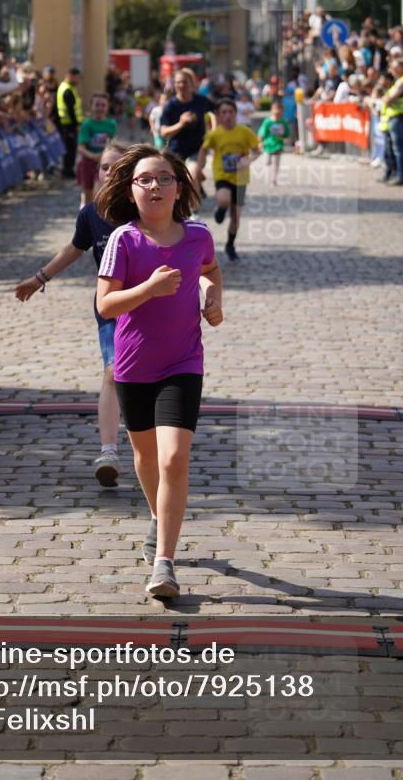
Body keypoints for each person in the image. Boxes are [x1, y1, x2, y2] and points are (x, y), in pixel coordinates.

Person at [95, 144, 223, 599]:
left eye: (164, 178)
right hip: (133, 366)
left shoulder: (198, 235)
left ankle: (164, 563)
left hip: (183, 362)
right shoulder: (123, 240)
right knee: (147, 459)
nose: (155, 186)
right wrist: (149, 288)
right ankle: (156, 515)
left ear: (179, 188)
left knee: (173, 459)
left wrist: (212, 297)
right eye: (145, 179)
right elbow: (105, 305)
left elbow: (210, 270)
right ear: (131, 190)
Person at [15, 142, 130, 486]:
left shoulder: (145, 211)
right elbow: (74, 249)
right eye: (105, 167)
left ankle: (153, 442)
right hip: (110, 304)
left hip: (150, 306)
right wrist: (39, 278)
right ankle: (108, 451)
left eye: (118, 168)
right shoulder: (91, 214)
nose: (110, 173)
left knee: (146, 377)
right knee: (112, 371)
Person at [195, 98, 260, 262]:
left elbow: (256, 151)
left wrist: (248, 160)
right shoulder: (214, 134)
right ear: (218, 115)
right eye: (223, 113)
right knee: (223, 199)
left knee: (236, 215)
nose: (227, 116)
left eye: (231, 112)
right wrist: (199, 168)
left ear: (236, 114)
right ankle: (221, 209)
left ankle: (230, 245)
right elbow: (203, 150)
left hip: (241, 178)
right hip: (222, 175)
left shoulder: (244, 132)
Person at [159, 68, 212, 196]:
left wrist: (213, 131)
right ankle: (197, 182)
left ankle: (195, 206)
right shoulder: (171, 105)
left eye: (184, 82)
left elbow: (216, 113)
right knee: (176, 180)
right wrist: (181, 124)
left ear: (192, 83)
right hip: (176, 151)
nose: (181, 85)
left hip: (197, 150)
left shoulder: (201, 101)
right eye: (178, 82)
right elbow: (164, 132)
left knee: (191, 175)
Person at [75, 92, 118, 206]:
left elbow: (114, 144)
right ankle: (85, 212)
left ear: (107, 107)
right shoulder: (87, 125)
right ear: (91, 106)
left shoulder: (111, 124)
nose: (100, 108)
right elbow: (80, 147)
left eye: (103, 105)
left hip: (104, 165)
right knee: (88, 196)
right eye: (97, 105)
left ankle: (100, 213)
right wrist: (93, 156)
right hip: (88, 163)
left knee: (100, 192)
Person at [383, 58, 403, 185]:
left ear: (402, 68)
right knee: (396, 149)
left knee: (398, 149)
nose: (392, 69)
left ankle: (401, 176)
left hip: (399, 117)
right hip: (398, 117)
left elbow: (389, 99)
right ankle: (398, 175)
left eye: (395, 67)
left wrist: (387, 99)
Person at [56, 67, 83, 178]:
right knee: (70, 149)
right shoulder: (67, 90)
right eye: (77, 77)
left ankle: (67, 170)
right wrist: (76, 125)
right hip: (69, 125)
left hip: (67, 124)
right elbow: (70, 109)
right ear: (71, 76)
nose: (78, 80)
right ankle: (67, 171)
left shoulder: (65, 87)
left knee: (69, 148)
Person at [258, 97, 290, 185]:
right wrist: (260, 142)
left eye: (280, 111)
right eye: (276, 110)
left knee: (276, 163)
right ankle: (268, 174)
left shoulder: (283, 122)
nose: (278, 112)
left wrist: (287, 139)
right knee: (267, 162)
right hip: (268, 145)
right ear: (272, 110)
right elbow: (261, 133)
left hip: (278, 145)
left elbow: (287, 133)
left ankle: (273, 179)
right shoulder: (268, 122)